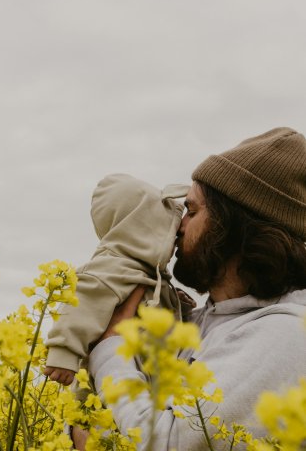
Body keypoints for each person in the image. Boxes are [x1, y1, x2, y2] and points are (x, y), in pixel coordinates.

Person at [74, 127, 306, 450]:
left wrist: (110, 346)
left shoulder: (286, 335)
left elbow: (168, 444)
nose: (178, 227)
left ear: (232, 227)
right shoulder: (201, 323)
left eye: (192, 211)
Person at [44, 173, 193, 385]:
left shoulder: (152, 276)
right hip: (106, 394)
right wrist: (63, 353)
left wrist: (178, 306)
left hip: (146, 390)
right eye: (169, 232)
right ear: (141, 229)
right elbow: (82, 303)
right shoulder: (113, 267)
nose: (176, 239)